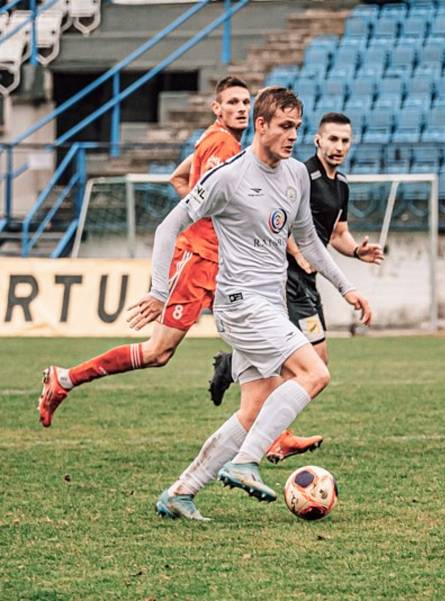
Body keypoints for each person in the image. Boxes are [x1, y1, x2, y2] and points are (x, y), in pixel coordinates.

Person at [37, 77, 321, 464]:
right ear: (216, 108)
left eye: (245, 101)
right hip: (200, 259)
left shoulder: (218, 141)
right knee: (158, 351)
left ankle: (270, 429)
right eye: (232, 102)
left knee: (262, 343)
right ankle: (65, 378)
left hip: (225, 265)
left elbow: (180, 178)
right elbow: (227, 202)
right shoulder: (224, 147)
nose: (240, 107)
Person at [136, 86, 372, 520]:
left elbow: (309, 242)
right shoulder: (228, 176)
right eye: (285, 127)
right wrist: (157, 290)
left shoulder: (295, 176)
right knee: (315, 372)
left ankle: (180, 493)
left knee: (254, 409)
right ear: (260, 126)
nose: (292, 136)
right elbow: (168, 228)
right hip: (239, 302)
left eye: (297, 128)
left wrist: (345, 286)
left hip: (269, 305)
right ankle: (245, 462)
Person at [206, 111, 384, 414]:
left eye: (345, 141)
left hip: (308, 279)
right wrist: (298, 252)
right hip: (286, 277)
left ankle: (232, 366)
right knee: (310, 363)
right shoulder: (299, 175)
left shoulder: (340, 184)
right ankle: (273, 432)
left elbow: (339, 234)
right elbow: (277, 222)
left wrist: (356, 252)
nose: (339, 146)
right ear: (318, 140)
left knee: (311, 362)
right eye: (332, 139)